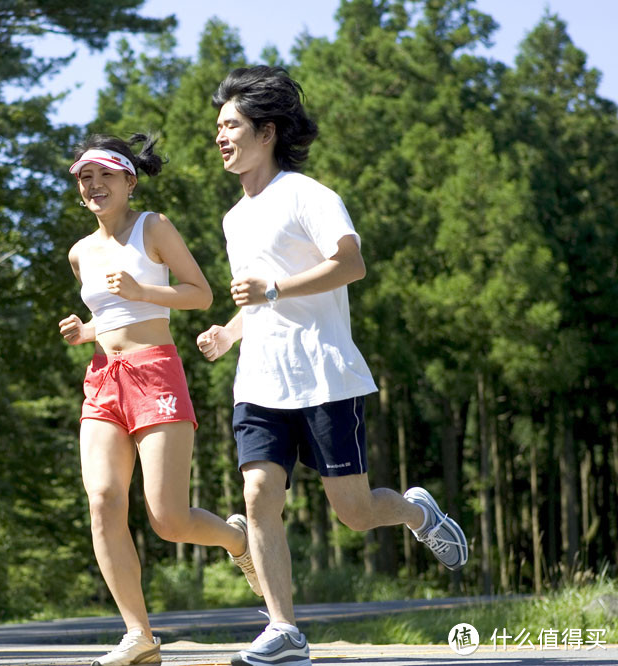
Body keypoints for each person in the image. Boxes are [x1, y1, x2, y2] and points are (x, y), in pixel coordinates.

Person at [196, 66, 469, 666]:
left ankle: (419, 512)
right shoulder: (234, 217)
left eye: (230, 125)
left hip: (322, 373)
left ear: (266, 131)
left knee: (354, 512)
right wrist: (229, 332)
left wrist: (271, 291)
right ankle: (284, 628)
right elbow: (258, 298)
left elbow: (350, 265)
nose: (219, 136)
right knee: (259, 490)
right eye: (216, 126)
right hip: (261, 379)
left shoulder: (309, 195)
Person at [58, 133, 262, 666]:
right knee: (102, 501)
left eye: (105, 175)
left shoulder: (154, 226)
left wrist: (143, 291)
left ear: (129, 179)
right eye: (85, 177)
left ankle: (236, 540)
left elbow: (200, 294)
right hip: (103, 378)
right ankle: (139, 635)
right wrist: (88, 331)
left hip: (155, 373)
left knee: (166, 519)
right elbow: (112, 315)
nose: (94, 185)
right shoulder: (80, 252)